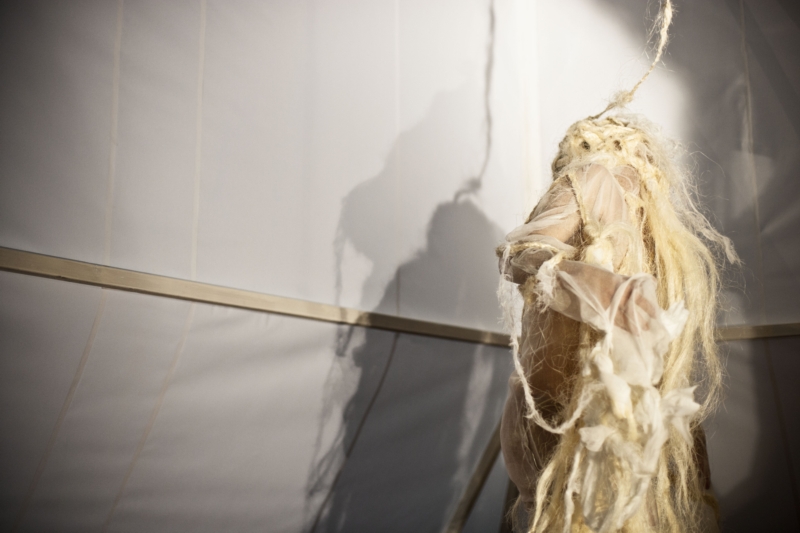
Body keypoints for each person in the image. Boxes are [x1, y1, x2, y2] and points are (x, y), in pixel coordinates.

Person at [496, 115, 736, 532]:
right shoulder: (594, 177)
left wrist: (689, 443)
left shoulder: (656, 238)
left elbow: (665, 366)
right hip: (563, 411)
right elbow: (521, 255)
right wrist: (595, 287)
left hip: (608, 420)